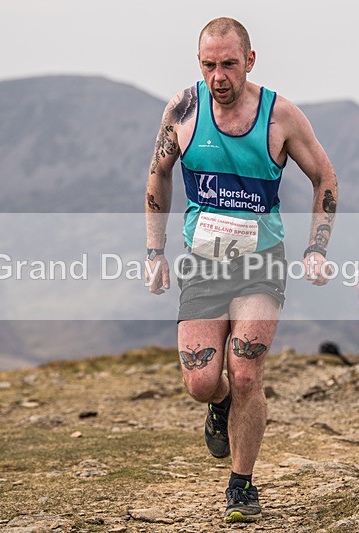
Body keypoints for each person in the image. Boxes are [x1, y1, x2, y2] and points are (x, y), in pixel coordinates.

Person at [144, 17, 338, 523]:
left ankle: (241, 484)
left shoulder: (280, 116)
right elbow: (159, 174)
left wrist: (316, 248)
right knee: (201, 382)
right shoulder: (183, 110)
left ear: (249, 61)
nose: (219, 76)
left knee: (247, 371)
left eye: (229, 64)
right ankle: (220, 402)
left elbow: (324, 176)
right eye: (209, 65)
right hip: (203, 264)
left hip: (260, 263)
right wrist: (154, 252)